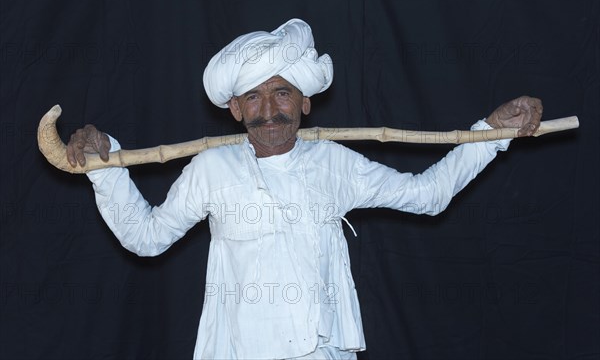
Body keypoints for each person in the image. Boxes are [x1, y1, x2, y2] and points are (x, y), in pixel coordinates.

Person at [66, 18, 542, 360]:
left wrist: (491, 134)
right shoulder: (211, 169)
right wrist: (103, 166)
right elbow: (145, 237)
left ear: (306, 101)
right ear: (235, 109)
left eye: (282, 92)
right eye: (253, 95)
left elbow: (427, 195)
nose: (268, 109)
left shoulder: (335, 163)